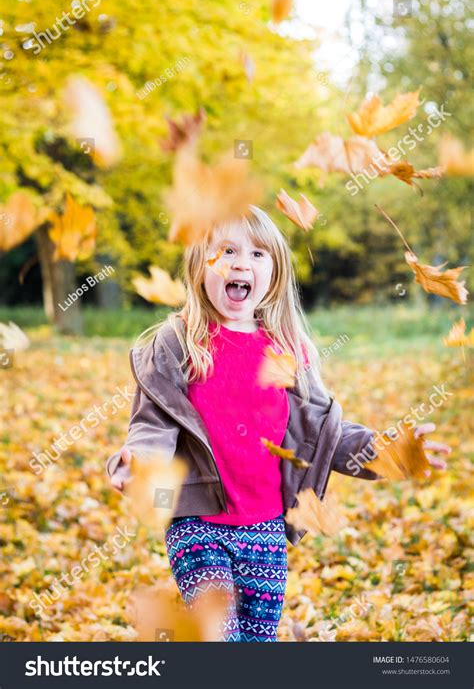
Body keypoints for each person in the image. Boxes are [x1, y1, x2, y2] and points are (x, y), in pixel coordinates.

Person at [107, 205, 449, 642]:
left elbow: (326, 432)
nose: (240, 263)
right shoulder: (179, 343)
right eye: (226, 251)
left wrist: (391, 452)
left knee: (255, 642)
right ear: (199, 266)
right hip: (196, 523)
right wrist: (141, 463)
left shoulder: (285, 350)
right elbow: (153, 424)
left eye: (257, 254)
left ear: (275, 272)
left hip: (266, 528)